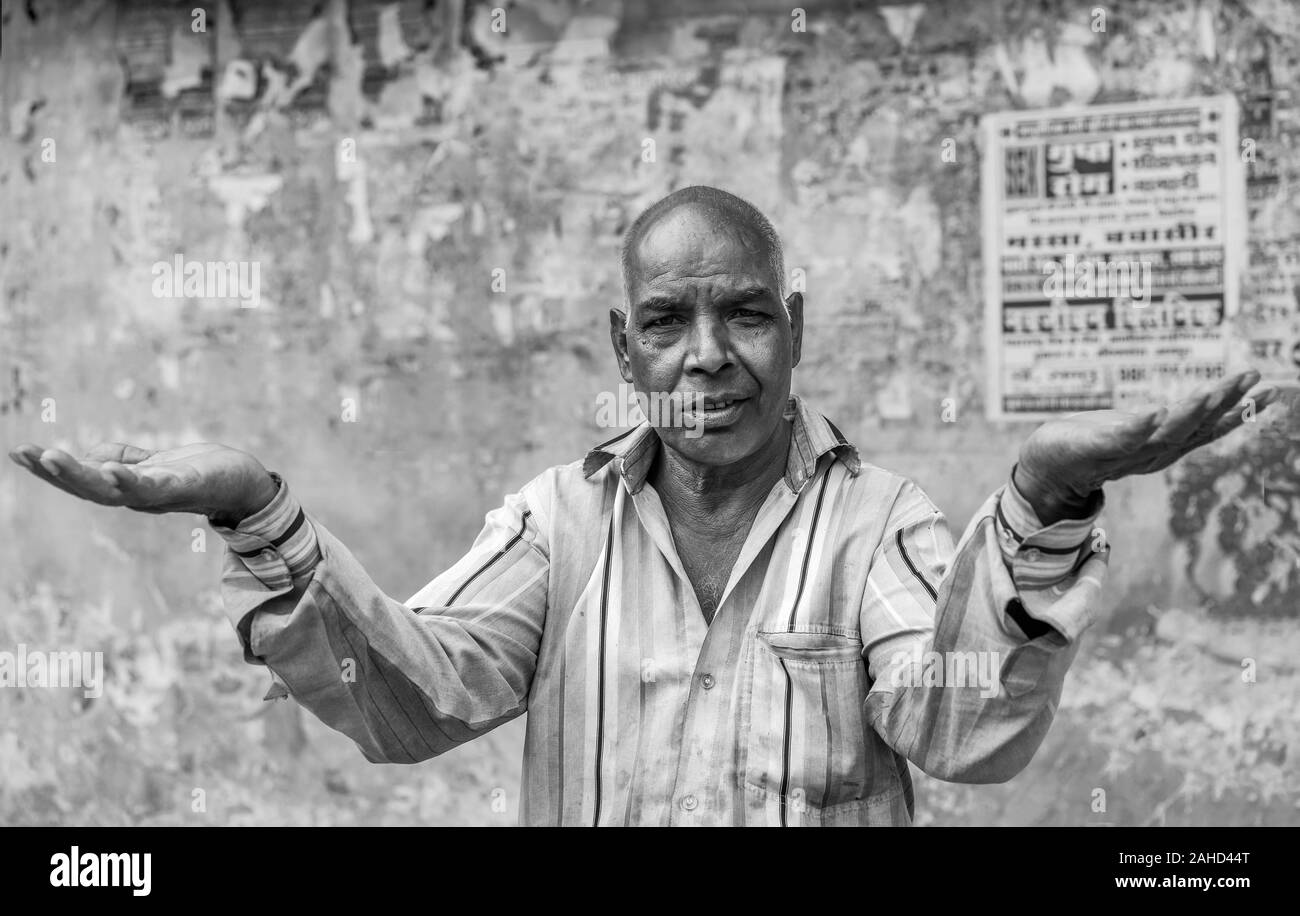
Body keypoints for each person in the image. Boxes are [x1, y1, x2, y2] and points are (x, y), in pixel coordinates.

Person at [9, 186, 1283, 826]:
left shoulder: (876, 520)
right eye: (668, 322)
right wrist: (257, 507)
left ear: (793, 332)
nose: (707, 357)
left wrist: (1048, 493)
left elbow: (954, 724)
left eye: (742, 315)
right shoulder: (557, 522)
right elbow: (419, 688)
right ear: (626, 350)